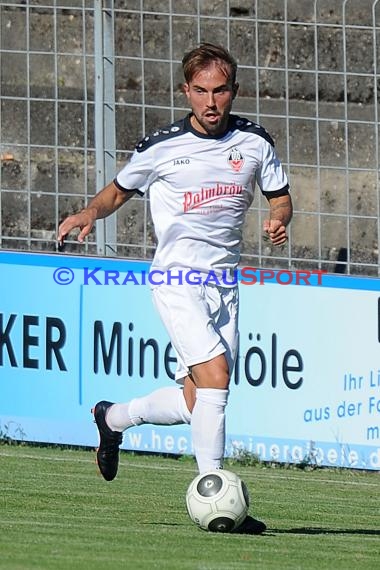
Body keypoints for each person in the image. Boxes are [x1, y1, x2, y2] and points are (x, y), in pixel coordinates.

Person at [58, 43, 292, 533]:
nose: (211, 102)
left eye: (220, 90)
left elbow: (280, 196)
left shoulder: (254, 142)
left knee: (197, 399)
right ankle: (214, 489)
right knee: (216, 375)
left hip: (224, 284)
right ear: (186, 91)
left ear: (234, 90)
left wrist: (277, 218)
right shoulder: (161, 147)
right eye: (201, 91)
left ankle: (113, 417)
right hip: (176, 279)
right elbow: (118, 191)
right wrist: (87, 213)